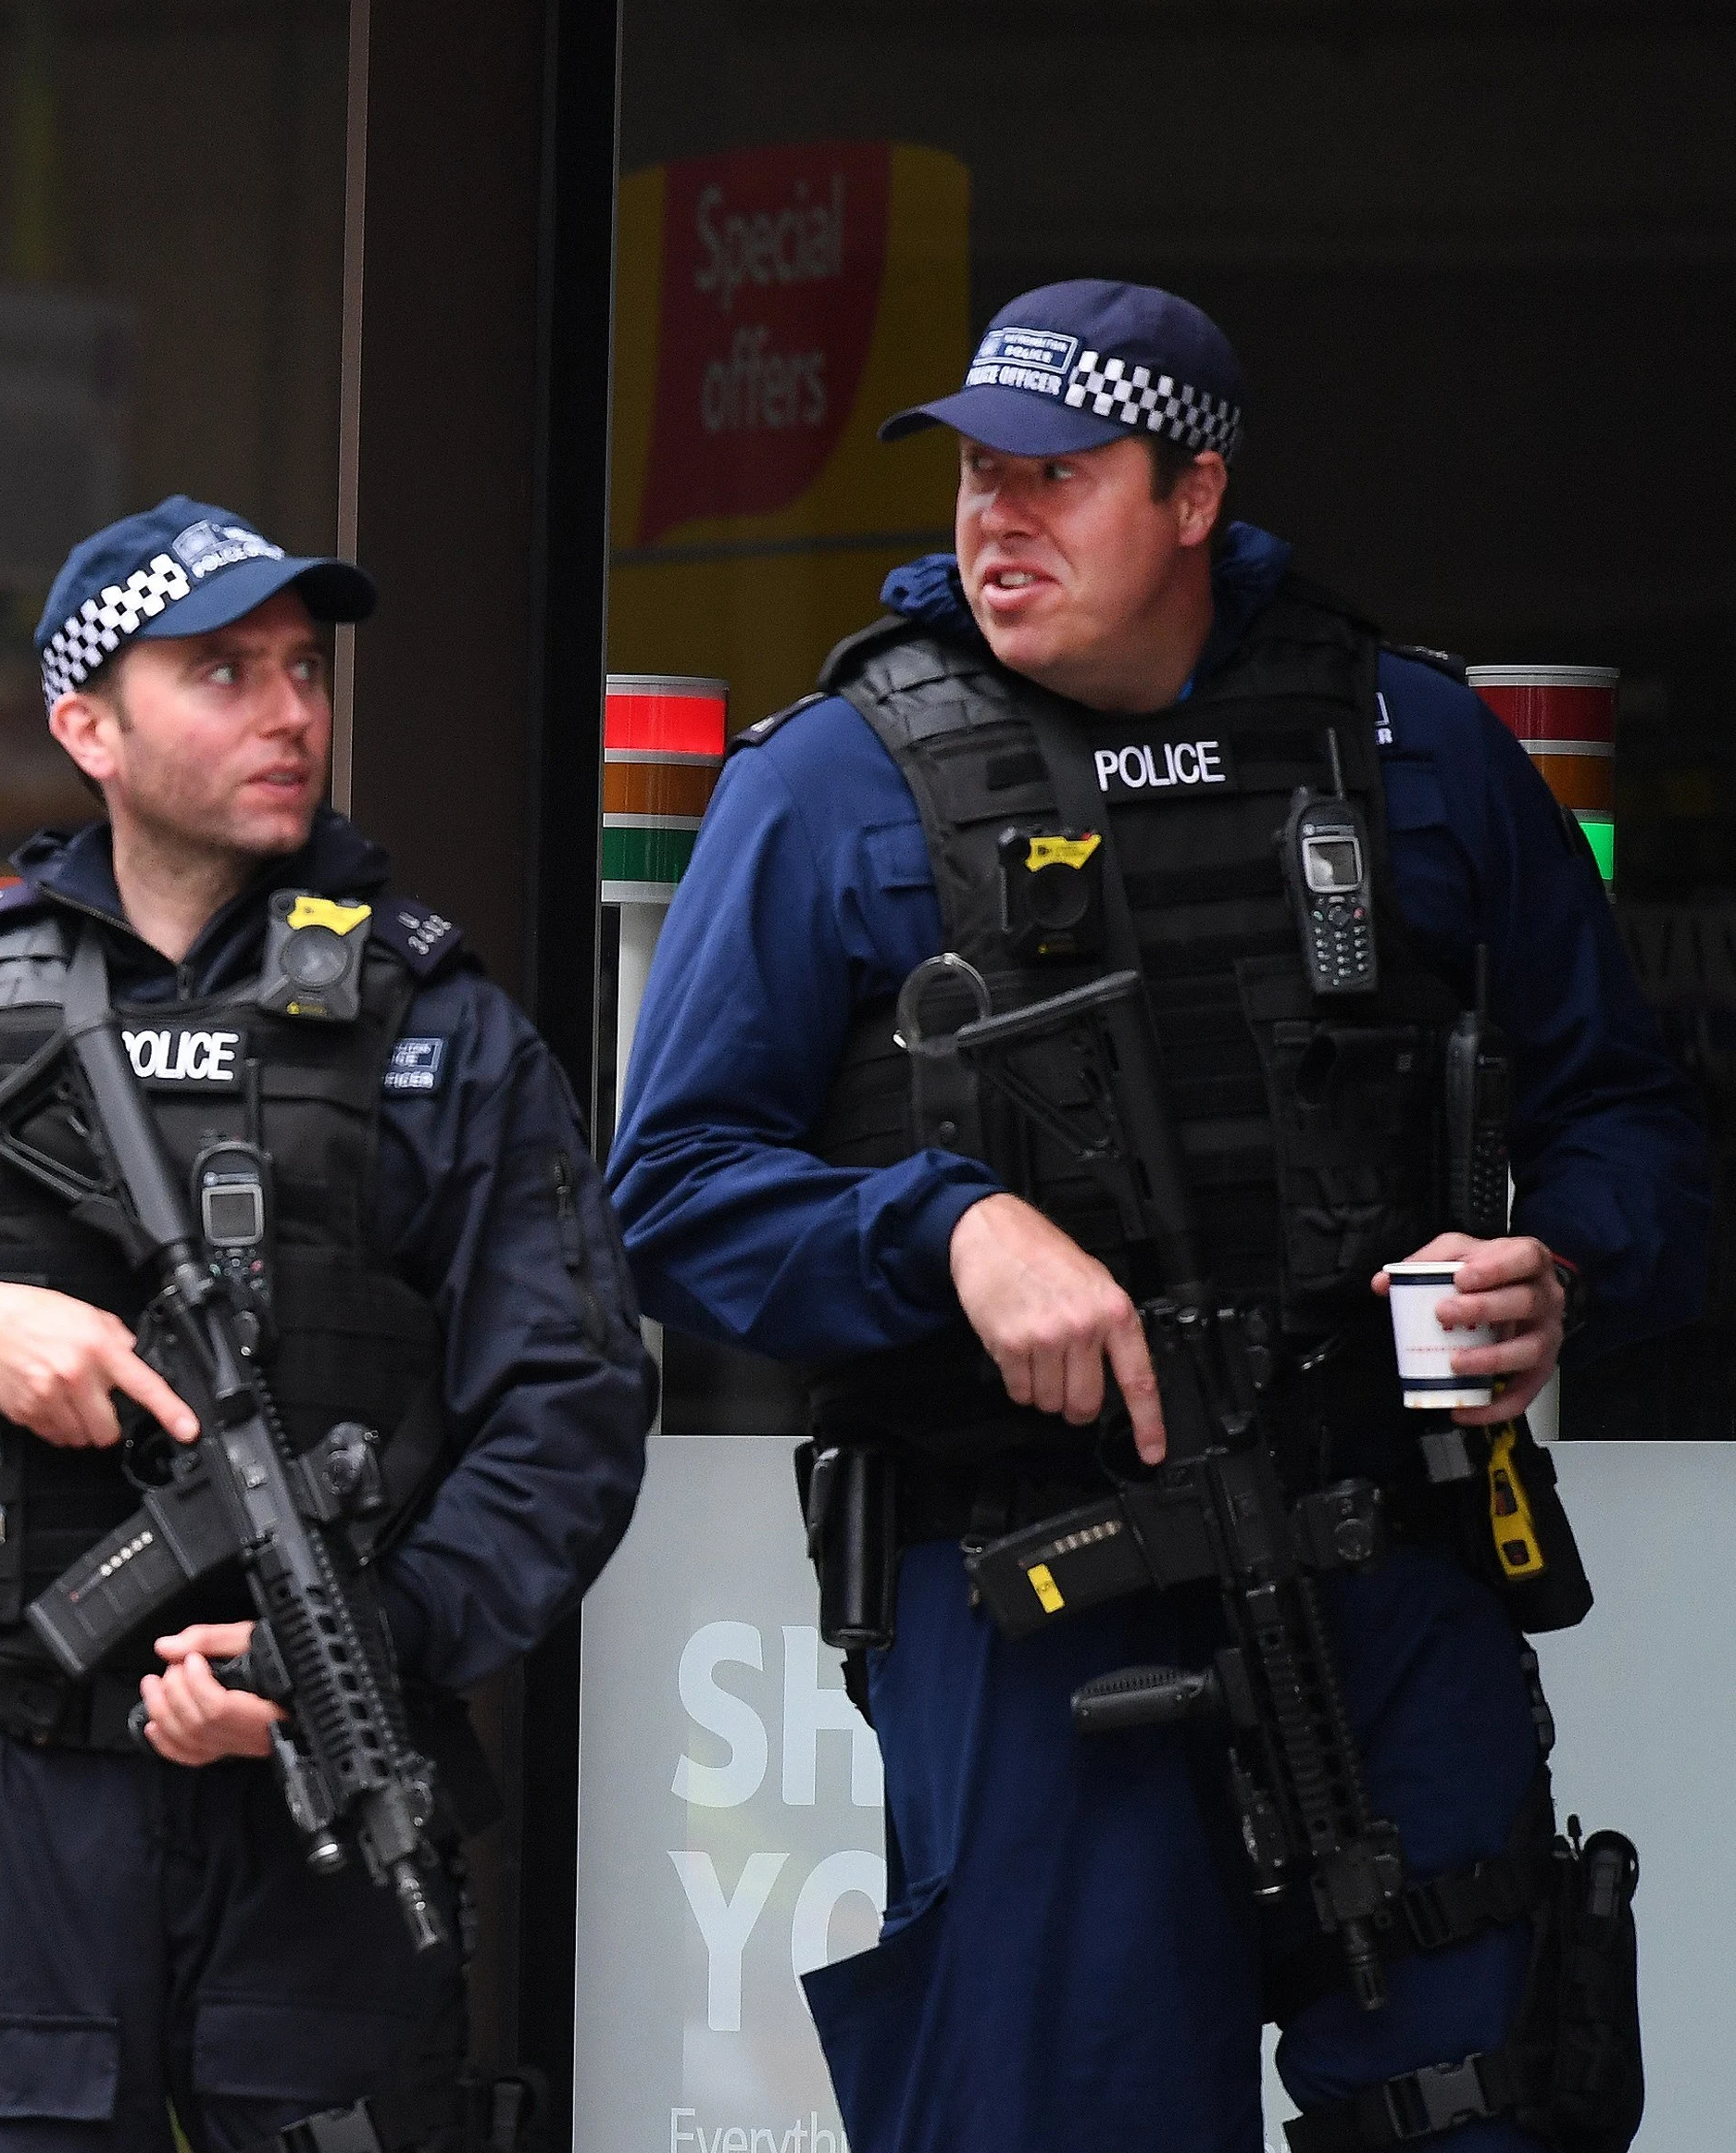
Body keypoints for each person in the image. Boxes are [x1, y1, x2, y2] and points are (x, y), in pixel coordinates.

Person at [607, 280, 1710, 2153]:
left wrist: (1566, 1264)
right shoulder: (832, 787)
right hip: (1044, 1595)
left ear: (1194, 496)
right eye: (973, 476)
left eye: (1054, 475)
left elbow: (1633, 1117)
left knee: (1480, 2099)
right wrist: (941, 1234)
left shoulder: (1411, 749)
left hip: (1388, 1567)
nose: (993, 519)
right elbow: (667, 1192)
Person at [0, 497, 655, 2153]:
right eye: (223, 672)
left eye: (300, 670)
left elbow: (572, 1410)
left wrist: (368, 1650)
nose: (290, 712)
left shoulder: (436, 1030)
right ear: (85, 726)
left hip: (313, 1797)